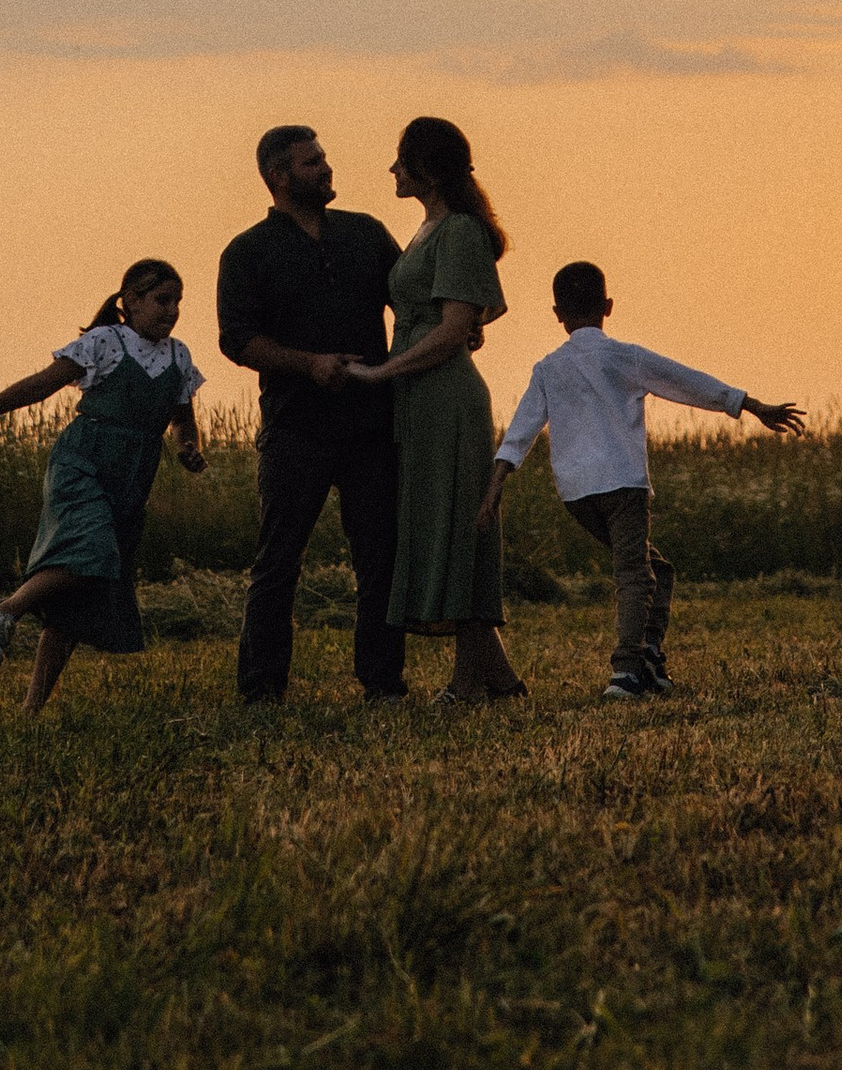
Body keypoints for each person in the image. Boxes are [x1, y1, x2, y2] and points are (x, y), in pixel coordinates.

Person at [481, 260, 802, 703]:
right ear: (608, 306)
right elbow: (685, 381)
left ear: (557, 313)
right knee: (634, 574)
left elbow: (519, 433)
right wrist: (748, 404)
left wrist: (494, 490)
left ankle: (649, 654)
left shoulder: (547, 369)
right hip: (622, 486)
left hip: (577, 494)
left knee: (657, 570)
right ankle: (626, 670)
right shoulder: (624, 357)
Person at [0, 259, 203, 714]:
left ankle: (30, 710)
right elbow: (40, 386)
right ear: (130, 301)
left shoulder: (180, 357)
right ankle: (4, 611)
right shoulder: (104, 342)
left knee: (78, 594)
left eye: (178, 302)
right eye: (162, 300)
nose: (172, 310)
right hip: (84, 462)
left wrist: (188, 448)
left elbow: (182, 421)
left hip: (133, 478)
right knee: (90, 553)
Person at [216, 127, 408, 706]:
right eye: (312, 162)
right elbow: (237, 339)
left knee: (379, 557)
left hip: (371, 423)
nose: (327, 168)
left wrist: (452, 325)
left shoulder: (366, 233)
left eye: (324, 158)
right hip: (294, 427)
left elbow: (412, 299)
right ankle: (261, 691)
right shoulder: (247, 251)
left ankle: (382, 684)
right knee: (278, 563)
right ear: (279, 176)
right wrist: (310, 364)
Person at [344, 114, 524, 704]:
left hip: (445, 396)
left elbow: (453, 330)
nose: (391, 170)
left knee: (457, 526)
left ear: (425, 168)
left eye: (400, 159)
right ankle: (494, 676)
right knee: (438, 524)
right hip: (418, 399)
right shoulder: (428, 231)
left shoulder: (461, 233)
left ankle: (470, 679)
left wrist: (381, 371)